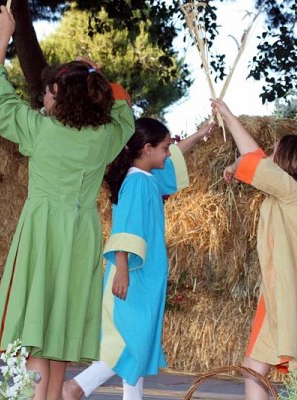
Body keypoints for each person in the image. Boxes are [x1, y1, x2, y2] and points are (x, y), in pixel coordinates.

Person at [0, 5, 135, 400]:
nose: (42, 95)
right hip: (82, 235)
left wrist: (3, 36)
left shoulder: (40, 131)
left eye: (49, 89)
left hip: (43, 229)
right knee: (56, 332)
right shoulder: (106, 137)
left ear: (61, 97)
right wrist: (97, 75)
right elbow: (125, 111)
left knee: (35, 332)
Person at [61, 118, 216, 400]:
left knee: (138, 344)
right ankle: (75, 387)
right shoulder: (136, 183)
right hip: (132, 274)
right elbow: (126, 229)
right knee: (129, 342)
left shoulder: (147, 178)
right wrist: (121, 270)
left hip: (145, 274)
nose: (169, 153)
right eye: (165, 148)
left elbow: (175, 158)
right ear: (147, 149)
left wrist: (201, 133)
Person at [212, 98, 297, 400]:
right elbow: (254, 157)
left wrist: (233, 158)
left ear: (291, 165)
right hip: (284, 293)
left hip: (287, 294)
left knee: (262, 368)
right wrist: (230, 119)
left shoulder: (289, 192)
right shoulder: (292, 193)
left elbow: (249, 159)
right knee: (263, 367)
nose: (268, 156)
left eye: (275, 152)